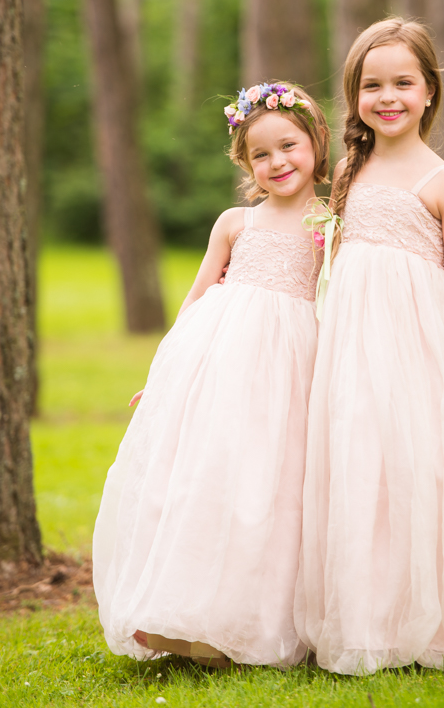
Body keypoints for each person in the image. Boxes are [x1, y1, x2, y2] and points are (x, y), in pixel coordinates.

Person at [295, 19, 444, 674]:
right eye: (371, 85)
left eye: (402, 82)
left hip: (416, 352)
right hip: (351, 349)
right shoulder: (349, 170)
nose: (386, 96)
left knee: (416, 474)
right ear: (353, 94)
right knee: (358, 468)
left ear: (428, 92)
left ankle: (432, 624)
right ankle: (365, 619)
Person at [93, 83, 329, 668]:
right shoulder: (235, 223)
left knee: (272, 490)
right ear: (245, 164)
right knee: (208, 482)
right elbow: (196, 302)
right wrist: (165, 375)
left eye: (289, 146)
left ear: (317, 143)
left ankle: (251, 624)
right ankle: (183, 614)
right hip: (221, 371)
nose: (278, 163)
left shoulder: (332, 222)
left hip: (292, 372)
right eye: (261, 155)